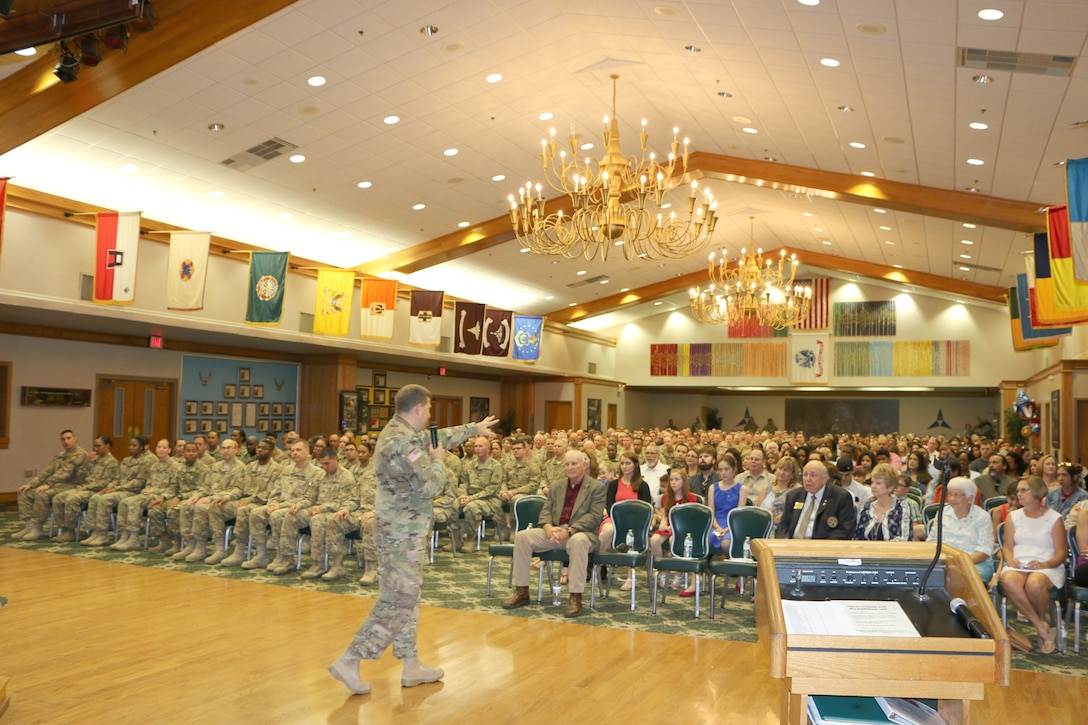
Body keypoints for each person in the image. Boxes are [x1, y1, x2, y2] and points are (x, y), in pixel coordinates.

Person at [328, 384, 497, 696]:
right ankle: (351, 659)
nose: (431, 414)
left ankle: (411, 664)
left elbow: (438, 437)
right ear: (419, 408)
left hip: (398, 529)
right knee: (399, 599)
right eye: (430, 409)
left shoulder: (398, 431)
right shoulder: (404, 443)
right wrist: (438, 461)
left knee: (407, 595)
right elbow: (430, 487)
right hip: (401, 532)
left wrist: (474, 429)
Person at [501, 450, 606, 618]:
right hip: (555, 531)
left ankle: (575, 596)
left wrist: (569, 530)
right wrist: (548, 528)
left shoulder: (597, 488)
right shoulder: (557, 486)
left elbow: (593, 516)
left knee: (577, 542)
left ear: (584, 465)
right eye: (567, 464)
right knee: (522, 537)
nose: (570, 467)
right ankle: (521, 591)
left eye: (574, 463)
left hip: (581, 533)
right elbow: (546, 511)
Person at [999, 476, 1067, 654]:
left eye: (1024, 490)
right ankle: (1041, 625)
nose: (1019, 494)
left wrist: (1046, 563)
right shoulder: (1013, 517)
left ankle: (1040, 622)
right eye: (1018, 490)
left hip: (1047, 564)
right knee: (1009, 580)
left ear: (1037, 493)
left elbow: (1061, 553)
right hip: (1019, 562)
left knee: (1034, 584)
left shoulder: (1054, 518)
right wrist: (1009, 559)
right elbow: (1007, 546)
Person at [216, 439, 284, 566]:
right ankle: (219, 549)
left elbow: (272, 492)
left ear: (271, 452)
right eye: (258, 447)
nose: (259, 450)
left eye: (264, 448)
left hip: (261, 503)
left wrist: (251, 500)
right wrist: (228, 497)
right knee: (217, 507)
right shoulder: (249, 467)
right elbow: (239, 487)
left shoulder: (277, 470)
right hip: (243, 500)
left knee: (244, 510)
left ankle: (246, 551)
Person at [13, 429, 87, 540]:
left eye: (68, 438)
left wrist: (48, 484)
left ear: (75, 439)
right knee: (25, 493)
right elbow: (47, 471)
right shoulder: (61, 455)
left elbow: (66, 473)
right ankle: (30, 526)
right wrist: (31, 484)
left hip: (71, 486)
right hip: (57, 485)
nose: (66, 441)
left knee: (42, 494)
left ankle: (37, 528)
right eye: (63, 439)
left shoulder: (80, 454)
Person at [81, 436, 153, 546]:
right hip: (120, 490)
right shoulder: (125, 461)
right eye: (129, 445)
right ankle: (95, 532)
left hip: (132, 492)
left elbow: (138, 482)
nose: (131, 447)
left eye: (134, 445)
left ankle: (103, 534)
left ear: (142, 447)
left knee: (105, 499)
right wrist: (108, 488)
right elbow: (117, 479)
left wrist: (116, 488)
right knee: (95, 497)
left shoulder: (146, 462)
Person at [301, 445, 359, 579]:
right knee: (296, 516)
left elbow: (346, 501)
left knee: (318, 520)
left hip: (338, 511)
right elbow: (310, 496)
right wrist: (301, 505)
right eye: (322, 464)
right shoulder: (320, 475)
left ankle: (335, 565)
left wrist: (322, 508)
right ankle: (313, 562)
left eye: (327, 463)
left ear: (336, 459)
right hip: (319, 510)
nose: (324, 467)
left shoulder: (346, 477)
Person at [111, 438, 179, 551]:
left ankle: (133, 539)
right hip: (149, 494)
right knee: (124, 502)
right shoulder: (153, 465)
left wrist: (154, 491)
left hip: (162, 496)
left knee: (134, 503)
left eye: (164, 447)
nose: (161, 450)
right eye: (159, 447)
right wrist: (146, 489)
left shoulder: (175, 466)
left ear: (169, 450)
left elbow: (173, 488)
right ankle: (124, 535)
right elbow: (148, 483)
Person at [49, 435, 119, 543]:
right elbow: (80, 476)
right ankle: (64, 529)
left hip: (95, 490)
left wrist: (85, 488)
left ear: (107, 445)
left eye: (99, 446)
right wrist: (87, 462)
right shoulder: (94, 459)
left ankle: (71, 530)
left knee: (72, 499)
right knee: (58, 498)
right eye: (94, 446)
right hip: (83, 487)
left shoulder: (111, 462)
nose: (96, 449)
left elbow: (105, 483)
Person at [598, 452, 652, 591]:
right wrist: (618, 519)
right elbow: (610, 506)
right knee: (607, 531)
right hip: (615, 519)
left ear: (635, 465)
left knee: (631, 535)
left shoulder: (642, 485)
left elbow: (645, 509)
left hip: (635, 522)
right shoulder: (614, 484)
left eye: (628, 463)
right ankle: (600, 564)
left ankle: (630, 578)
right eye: (622, 463)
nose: (624, 466)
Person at [926, 477, 995, 582]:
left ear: (970, 498)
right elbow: (932, 542)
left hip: (975, 563)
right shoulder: (942, 513)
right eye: (950, 494)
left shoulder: (982, 517)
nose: (952, 499)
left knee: (961, 577)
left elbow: (984, 551)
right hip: (944, 561)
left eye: (957, 495)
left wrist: (960, 562)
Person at [776, 460, 856, 540]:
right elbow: (783, 526)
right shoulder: (794, 496)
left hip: (822, 547)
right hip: (791, 545)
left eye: (813, 475)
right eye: (805, 475)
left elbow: (845, 530)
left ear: (825, 478)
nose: (808, 479)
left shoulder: (840, 497)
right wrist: (785, 541)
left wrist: (820, 546)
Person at [649, 469, 700, 590]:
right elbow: (665, 515)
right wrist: (662, 523)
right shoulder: (666, 497)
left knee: (673, 541)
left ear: (684, 481)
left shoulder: (691, 498)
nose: (673, 482)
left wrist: (674, 527)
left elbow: (690, 519)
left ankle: (678, 575)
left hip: (684, 529)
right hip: (669, 527)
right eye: (671, 479)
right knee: (654, 540)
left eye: (677, 479)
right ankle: (663, 570)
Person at [454, 436, 504, 552]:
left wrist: (470, 499)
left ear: (488, 449)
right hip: (470, 497)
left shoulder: (495, 466)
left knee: (471, 507)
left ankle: (470, 540)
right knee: (452, 505)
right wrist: (462, 496)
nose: (477, 448)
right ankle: (455, 538)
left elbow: (491, 489)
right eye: (476, 446)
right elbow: (463, 484)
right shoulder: (469, 465)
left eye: (480, 446)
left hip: (489, 500)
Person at [854, 463, 912, 541]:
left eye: (878, 483)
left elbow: (905, 538)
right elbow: (857, 536)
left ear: (890, 487)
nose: (873, 486)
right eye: (872, 482)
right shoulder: (866, 508)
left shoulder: (902, 508)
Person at [759, 455, 800, 535]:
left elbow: (795, 512)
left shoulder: (797, 490)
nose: (781, 473)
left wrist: (776, 519)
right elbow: (758, 511)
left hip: (785, 527)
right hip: (765, 524)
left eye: (786, 470)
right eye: (780, 468)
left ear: (792, 474)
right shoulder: (766, 488)